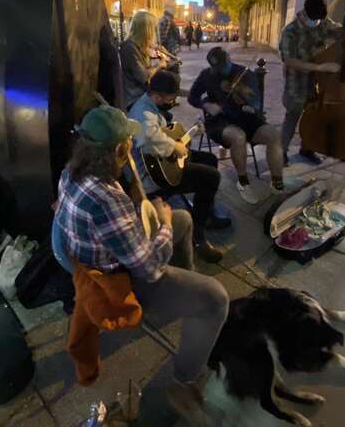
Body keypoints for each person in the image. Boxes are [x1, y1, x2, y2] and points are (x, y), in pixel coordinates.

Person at [51, 105, 230, 422]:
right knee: (216, 299)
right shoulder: (106, 198)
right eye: (128, 144)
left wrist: (150, 212)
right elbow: (147, 268)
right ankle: (184, 380)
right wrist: (161, 223)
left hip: (88, 257)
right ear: (120, 149)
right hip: (117, 279)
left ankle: (182, 300)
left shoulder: (70, 172)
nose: (131, 148)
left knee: (185, 219)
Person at [128, 69, 229, 264]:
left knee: (209, 159)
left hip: (161, 164)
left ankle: (206, 214)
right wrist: (175, 146)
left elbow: (163, 132)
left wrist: (181, 139)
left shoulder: (151, 103)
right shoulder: (142, 112)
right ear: (157, 96)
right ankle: (198, 237)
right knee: (211, 177)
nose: (172, 102)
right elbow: (148, 139)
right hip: (152, 179)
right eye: (170, 99)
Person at [188, 47, 284, 205]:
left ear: (229, 59)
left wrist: (247, 99)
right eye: (216, 68)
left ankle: (277, 181)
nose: (220, 71)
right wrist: (206, 104)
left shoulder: (245, 74)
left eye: (223, 66)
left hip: (247, 118)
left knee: (274, 135)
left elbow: (257, 104)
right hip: (220, 120)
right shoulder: (207, 75)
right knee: (238, 137)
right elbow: (192, 97)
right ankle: (243, 181)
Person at [278, 0, 342, 166]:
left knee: (314, 116)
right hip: (295, 83)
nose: (317, 23)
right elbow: (289, 60)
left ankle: (307, 148)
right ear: (305, 13)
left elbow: (340, 31)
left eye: (320, 20)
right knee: (292, 116)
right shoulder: (290, 31)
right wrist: (319, 68)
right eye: (314, 20)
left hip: (318, 82)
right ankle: (281, 151)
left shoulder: (322, 21)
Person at [120, 10, 158, 109]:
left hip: (143, 96)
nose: (154, 32)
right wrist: (160, 65)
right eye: (153, 28)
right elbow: (143, 76)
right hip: (134, 100)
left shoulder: (140, 46)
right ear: (146, 29)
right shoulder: (129, 48)